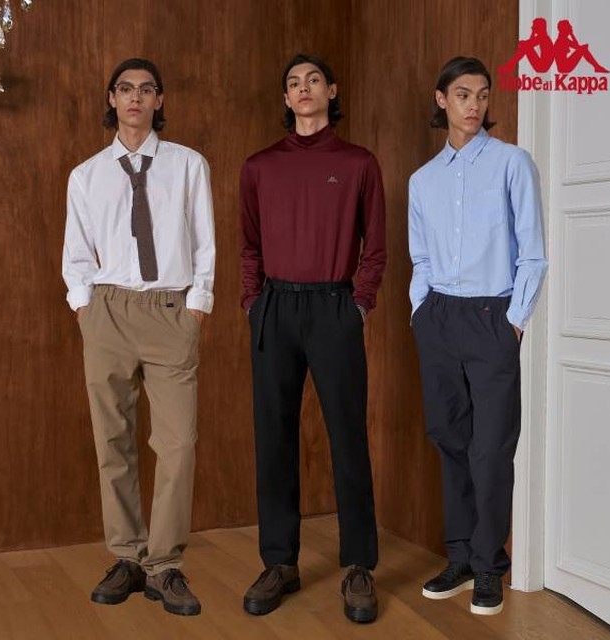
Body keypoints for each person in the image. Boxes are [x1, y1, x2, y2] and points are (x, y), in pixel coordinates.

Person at [62, 58, 215, 616]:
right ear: (112, 99)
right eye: (125, 89)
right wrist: (85, 307)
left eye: (146, 90)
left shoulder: (188, 165)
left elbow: (204, 241)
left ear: (159, 101)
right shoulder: (86, 175)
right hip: (108, 309)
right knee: (113, 440)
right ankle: (127, 556)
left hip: (169, 309)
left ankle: (164, 565)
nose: (135, 98)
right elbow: (77, 251)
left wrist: (196, 307)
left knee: (177, 443)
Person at [239, 53, 386, 624]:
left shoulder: (358, 163)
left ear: (332, 90)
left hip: (334, 307)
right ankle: (280, 562)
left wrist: (359, 304)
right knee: (273, 437)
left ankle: (359, 566)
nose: (304, 88)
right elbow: (248, 245)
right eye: (294, 83)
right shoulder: (259, 167)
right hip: (274, 307)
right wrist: (253, 304)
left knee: (347, 436)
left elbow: (375, 246)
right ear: (286, 98)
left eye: (314, 80)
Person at [408, 56, 547, 616]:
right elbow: (420, 256)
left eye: (483, 95)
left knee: (491, 447)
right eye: (463, 94)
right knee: (449, 438)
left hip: (493, 316)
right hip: (439, 316)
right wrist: (420, 311)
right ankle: (461, 557)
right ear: (442, 100)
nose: (474, 105)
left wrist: (514, 320)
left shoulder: (513, 163)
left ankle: (490, 565)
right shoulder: (423, 180)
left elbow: (532, 252)